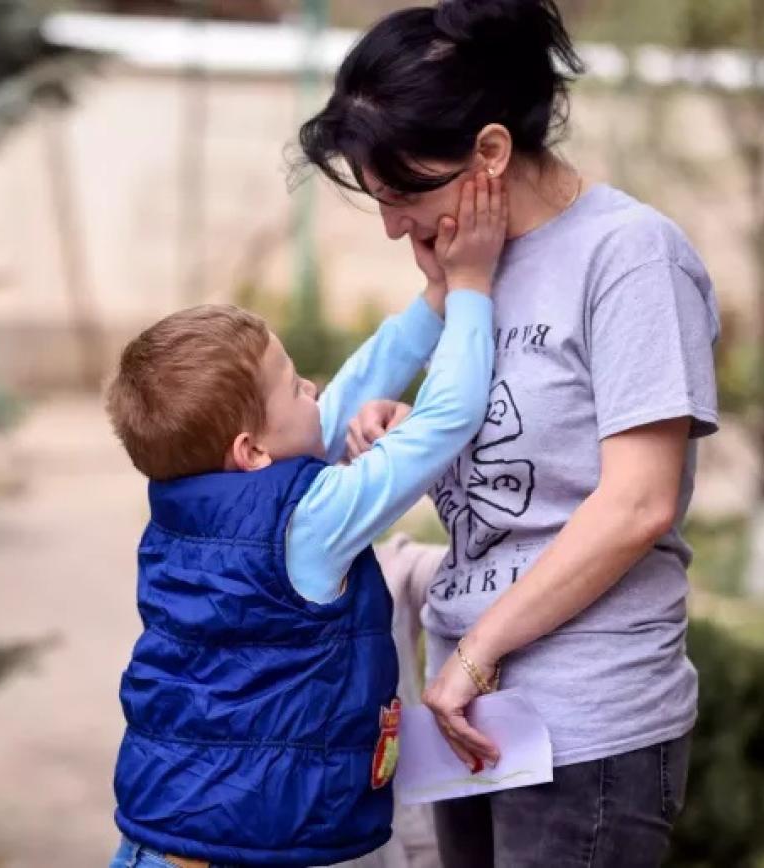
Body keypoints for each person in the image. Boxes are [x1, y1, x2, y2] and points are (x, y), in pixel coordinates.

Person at [298, 2, 721, 866]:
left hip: (582, 726)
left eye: (405, 191)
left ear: (490, 152)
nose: (390, 226)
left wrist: (481, 654)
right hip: (470, 714)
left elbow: (636, 502)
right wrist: (413, 430)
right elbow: (524, 447)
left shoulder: (631, 256)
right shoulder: (474, 272)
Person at [104, 174, 506, 867]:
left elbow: (331, 405)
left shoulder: (185, 508)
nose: (314, 388)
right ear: (251, 451)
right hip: (253, 849)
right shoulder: (309, 521)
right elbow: (447, 421)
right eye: (293, 384)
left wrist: (432, 302)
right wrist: (470, 289)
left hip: (159, 836)